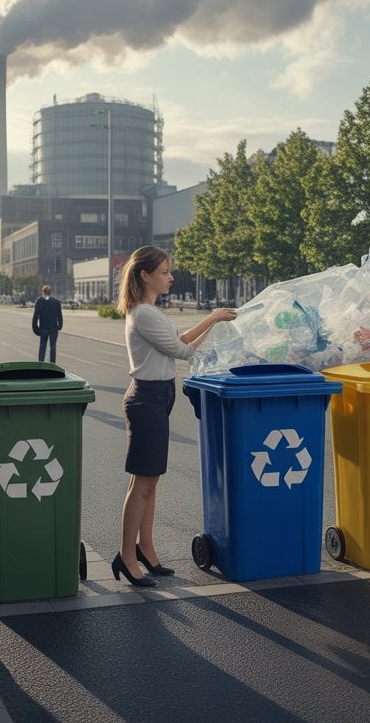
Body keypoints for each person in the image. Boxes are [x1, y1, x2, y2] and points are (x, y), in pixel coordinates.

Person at [114, 246, 236, 588]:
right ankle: (126, 556)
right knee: (142, 484)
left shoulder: (150, 311)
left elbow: (179, 340)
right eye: (165, 272)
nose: (171, 277)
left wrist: (212, 319)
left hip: (156, 396)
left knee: (150, 482)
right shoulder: (144, 314)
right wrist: (213, 318)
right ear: (145, 275)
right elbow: (183, 351)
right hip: (146, 398)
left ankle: (146, 550)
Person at [32, 284, 64, 363]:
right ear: (50, 292)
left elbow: (35, 316)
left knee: (43, 346)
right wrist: (59, 326)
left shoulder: (39, 301)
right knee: (53, 347)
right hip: (53, 328)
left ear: (43, 292)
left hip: (43, 328)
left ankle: (41, 362)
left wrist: (35, 329)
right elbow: (59, 315)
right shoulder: (56, 302)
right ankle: (52, 364)